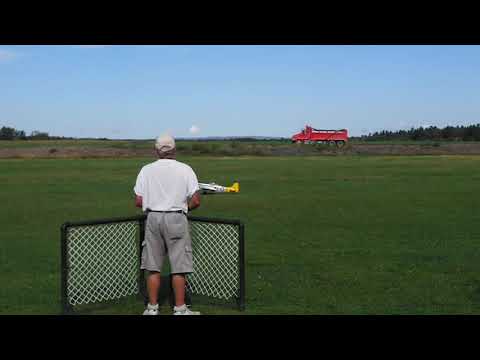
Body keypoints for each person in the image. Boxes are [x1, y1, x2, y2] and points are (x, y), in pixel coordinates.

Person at [134, 134, 201, 315]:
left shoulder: (146, 170)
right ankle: (180, 308)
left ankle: (152, 307)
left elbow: (139, 201)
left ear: (156, 150)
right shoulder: (185, 169)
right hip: (176, 218)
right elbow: (196, 201)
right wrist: (181, 207)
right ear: (174, 149)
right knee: (179, 267)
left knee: (153, 266)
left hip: (153, 218)